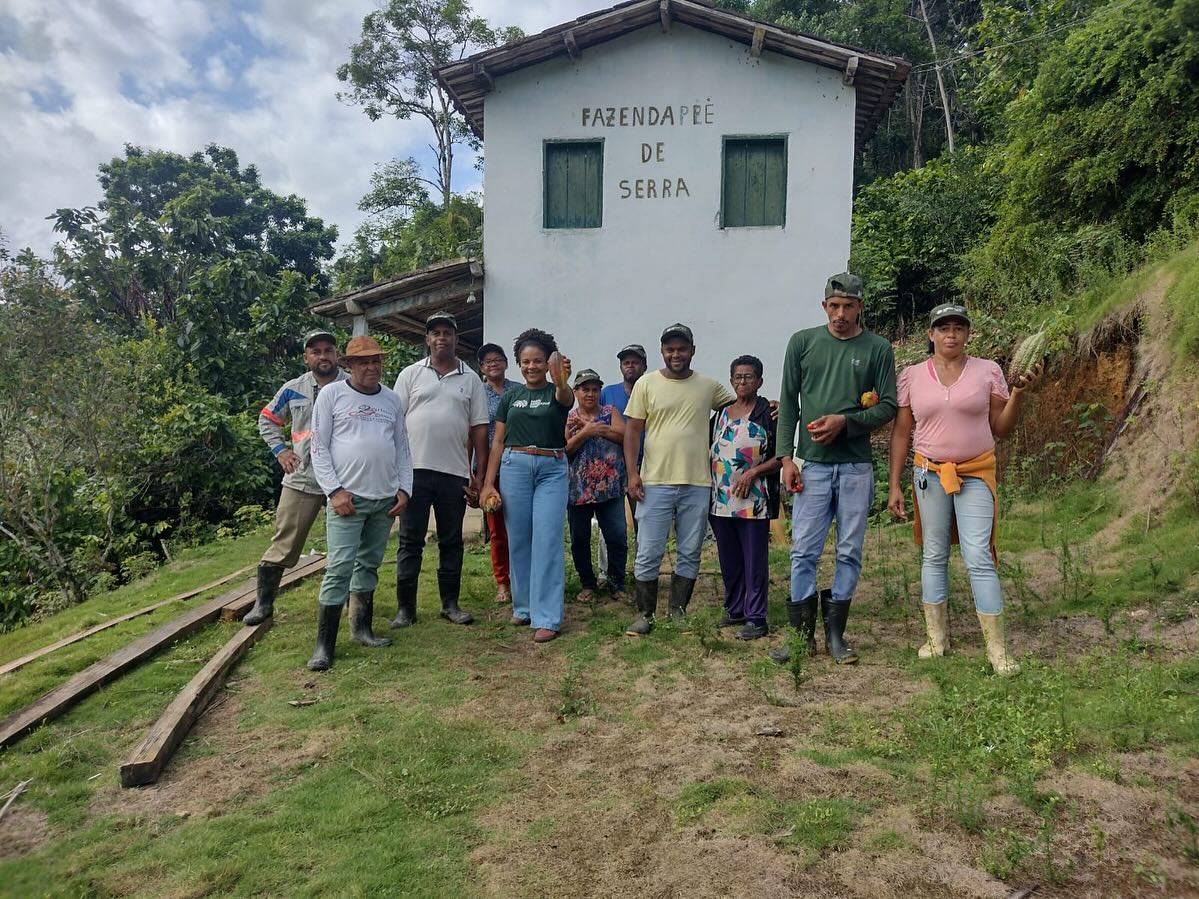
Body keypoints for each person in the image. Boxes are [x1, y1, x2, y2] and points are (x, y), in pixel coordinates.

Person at [888, 304, 1041, 677]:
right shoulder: (911, 376)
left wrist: (1019, 394)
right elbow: (902, 432)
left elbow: (1001, 427)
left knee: (978, 555)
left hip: (975, 471)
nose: (951, 334)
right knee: (934, 553)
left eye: (958, 327)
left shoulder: (987, 371)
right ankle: (936, 639)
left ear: (968, 334)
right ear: (931, 335)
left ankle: (998, 650)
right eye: (943, 328)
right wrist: (894, 483)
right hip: (929, 472)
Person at [773, 273, 897, 665]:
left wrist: (846, 422)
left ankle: (835, 635)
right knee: (803, 550)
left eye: (848, 306)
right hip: (812, 467)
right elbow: (788, 403)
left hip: (856, 467)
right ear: (824, 306)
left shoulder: (877, 348)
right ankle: (801, 638)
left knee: (849, 551)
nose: (840, 314)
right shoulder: (803, 343)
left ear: (860, 306)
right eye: (833, 306)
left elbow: (888, 406)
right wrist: (786, 458)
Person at [307, 336, 413, 671]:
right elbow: (318, 448)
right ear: (349, 366)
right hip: (347, 500)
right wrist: (334, 491)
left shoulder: (392, 400)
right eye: (364, 362)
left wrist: (404, 490)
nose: (371, 367)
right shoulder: (332, 395)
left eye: (376, 361)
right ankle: (324, 646)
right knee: (339, 568)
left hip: (383, 499)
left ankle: (362, 629)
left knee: (368, 565)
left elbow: (402, 449)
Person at [623, 324, 734, 636]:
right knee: (648, 550)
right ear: (662, 351)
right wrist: (632, 472)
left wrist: (768, 407)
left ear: (692, 351)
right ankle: (645, 614)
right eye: (670, 349)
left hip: (697, 482)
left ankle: (678, 612)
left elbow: (737, 408)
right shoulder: (647, 384)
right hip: (654, 482)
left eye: (681, 348)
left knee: (690, 550)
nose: (676, 354)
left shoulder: (708, 386)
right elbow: (632, 432)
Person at [391, 312, 489, 629]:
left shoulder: (471, 378)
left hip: (454, 473)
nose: (442, 337)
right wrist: (395, 472)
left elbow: (479, 431)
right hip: (414, 472)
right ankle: (406, 609)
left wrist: (478, 475)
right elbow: (393, 424)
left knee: (451, 541)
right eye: (436, 333)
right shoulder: (409, 375)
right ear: (428, 339)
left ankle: (451, 604)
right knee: (410, 541)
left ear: (456, 339)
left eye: (448, 332)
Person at [247, 330, 348, 625]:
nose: (323, 356)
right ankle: (263, 604)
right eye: (315, 351)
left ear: (336, 354)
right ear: (306, 357)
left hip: (344, 480)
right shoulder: (292, 388)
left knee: (345, 547)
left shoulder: (351, 385)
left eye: (328, 350)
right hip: (302, 477)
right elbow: (267, 419)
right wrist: (281, 451)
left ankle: (348, 606)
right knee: (284, 541)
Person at [480, 329, 574, 643]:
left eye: (537, 361)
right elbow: (497, 443)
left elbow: (566, 397)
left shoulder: (557, 392)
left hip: (551, 468)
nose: (531, 367)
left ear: (548, 363)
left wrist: (561, 378)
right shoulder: (511, 396)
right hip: (513, 467)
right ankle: (524, 607)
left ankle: (548, 616)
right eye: (525, 361)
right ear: (518, 364)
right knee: (518, 539)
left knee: (547, 539)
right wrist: (487, 484)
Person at [709, 356, 782, 641]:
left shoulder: (769, 412)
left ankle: (756, 617)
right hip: (721, 500)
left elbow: (781, 455)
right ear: (731, 381)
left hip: (753, 500)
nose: (743, 382)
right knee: (729, 558)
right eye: (738, 377)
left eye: (749, 377)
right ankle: (735, 608)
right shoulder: (720, 415)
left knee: (754, 559)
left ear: (760, 381)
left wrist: (753, 473)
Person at [565, 369, 628, 603]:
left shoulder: (610, 412)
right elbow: (565, 450)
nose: (590, 394)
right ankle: (587, 584)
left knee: (617, 536)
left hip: (610, 488)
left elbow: (624, 436)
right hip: (578, 489)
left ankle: (616, 582)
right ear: (576, 392)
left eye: (594, 389)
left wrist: (596, 428)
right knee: (579, 539)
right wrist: (586, 432)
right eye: (585, 389)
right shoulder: (569, 417)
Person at [478, 342, 520, 605]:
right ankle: (502, 583)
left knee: (520, 527)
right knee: (497, 530)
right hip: (491, 471)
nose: (493, 364)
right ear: (481, 368)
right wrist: (480, 476)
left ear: (506, 362)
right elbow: (474, 433)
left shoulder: (519, 390)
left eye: (498, 359)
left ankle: (521, 578)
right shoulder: (478, 393)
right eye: (487, 361)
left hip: (518, 465)